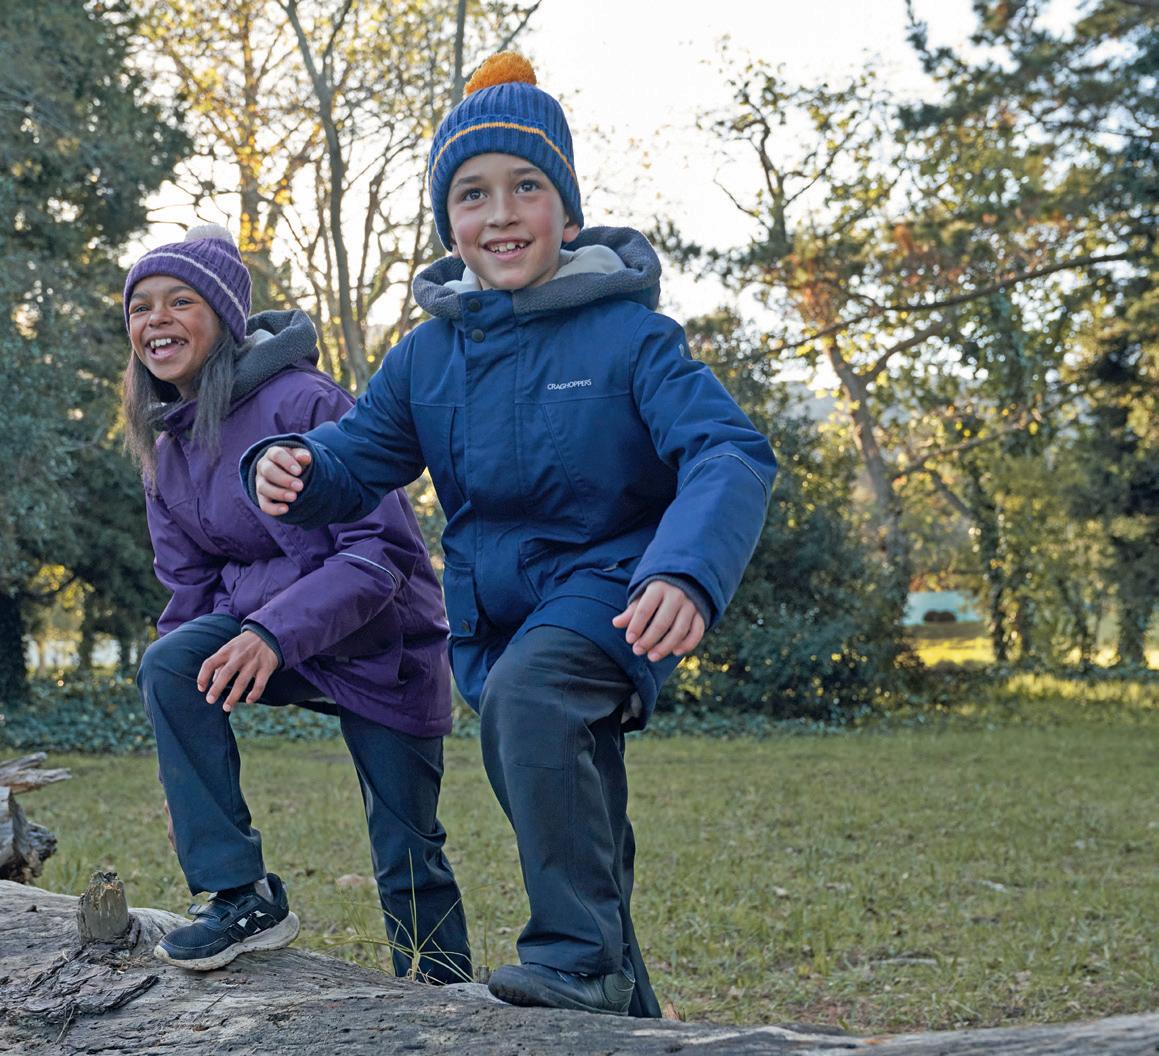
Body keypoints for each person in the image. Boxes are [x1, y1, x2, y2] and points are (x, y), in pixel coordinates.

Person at [243, 53, 776, 1017]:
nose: (500, 214)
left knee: (532, 700)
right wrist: (293, 467)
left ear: (566, 214)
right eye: (472, 193)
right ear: (448, 222)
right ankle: (617, 1000)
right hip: (499, 621)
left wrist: (685, 571)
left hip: (618, 592)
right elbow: (357, 457)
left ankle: (575, 959)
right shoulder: (426, 356)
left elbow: (728, 452)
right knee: (580, 818)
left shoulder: (630, 339)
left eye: (526, 187)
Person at [122, 225, 470, 982]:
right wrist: (188, 742)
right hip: (269, 636)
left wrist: (273, 632)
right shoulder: (166, 446)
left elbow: (376, 557)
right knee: (172, 665)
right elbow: (189, 589)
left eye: (180, 302)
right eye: (141, 307)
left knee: (407, 846)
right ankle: (241, 896)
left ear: (224, 319)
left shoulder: (304, 400)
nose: (157, 321)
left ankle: (444, 995)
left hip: (382, 643)